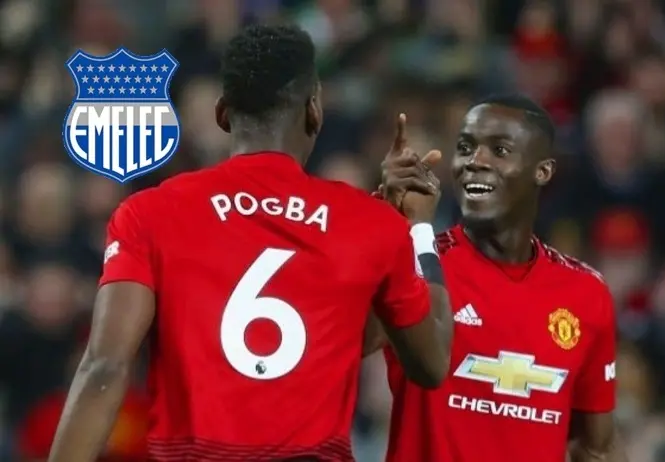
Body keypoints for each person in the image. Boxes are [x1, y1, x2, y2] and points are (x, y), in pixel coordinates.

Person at [48, 24, 453, 462]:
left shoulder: (149, 213)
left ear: (223, 114)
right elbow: (430, 363)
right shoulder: (369, 224)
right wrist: (415, 229)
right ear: (314, 110)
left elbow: (105, 366)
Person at [366, 94, 627, 462]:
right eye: (465, 148)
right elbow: (352, 342)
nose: (476, 161)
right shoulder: (418, 263)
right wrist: (385, 224)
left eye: (499, 150)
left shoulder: (585, 292)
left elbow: (595, 447)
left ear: (543, 171)